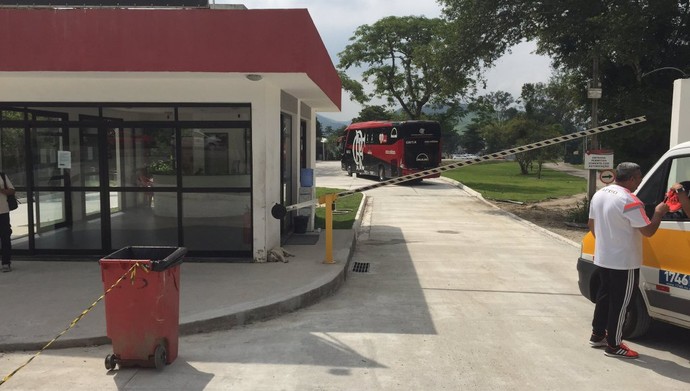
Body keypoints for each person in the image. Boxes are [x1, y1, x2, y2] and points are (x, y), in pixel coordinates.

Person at [587, 162, 669, 359]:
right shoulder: (630, 200)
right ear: (631, 179)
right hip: (624, 263)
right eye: (639, 178)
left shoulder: (601, 194)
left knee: (604, 297)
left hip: (604, 258)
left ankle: (598, 335)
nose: (640, 181)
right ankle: (614, 345)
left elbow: (591, 224)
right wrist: (658, 213)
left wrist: (608, 242)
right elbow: (648, 231)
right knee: (622, 303)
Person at [0, 172, 15, 272]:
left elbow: (12, 191)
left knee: (5, 237)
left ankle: (6, 262)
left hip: (3, 211)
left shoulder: (2, 176)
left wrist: (2, 190)